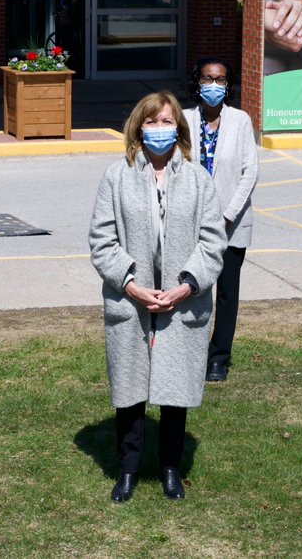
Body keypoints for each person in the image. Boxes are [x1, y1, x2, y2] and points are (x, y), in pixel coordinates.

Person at [89, 90, 226, 503]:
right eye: (152, 122)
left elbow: (213, 241)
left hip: (182, 302)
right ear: (138, 127)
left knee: (175, 391)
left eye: (167, 122)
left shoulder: (199, 179)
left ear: (179, 129)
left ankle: (170, 468)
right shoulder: (117, 176)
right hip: (131, 301)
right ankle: (127, 470)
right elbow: (102, 239)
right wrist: (130, 284)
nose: (159, 129)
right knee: (129, 393)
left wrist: (186, 286)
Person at [182, 57, 259, 382]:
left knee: (227, 294)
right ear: (197, 82)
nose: (213, 85)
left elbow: (249, 172)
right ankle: (190, 352)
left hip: (231, 226)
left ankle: (218, 358)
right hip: (191, 224)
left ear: (228, 86)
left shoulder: (240, 121)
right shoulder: (183, 120)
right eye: (207, 79)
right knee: (192, 290)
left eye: (220, 80)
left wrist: (226, 215)